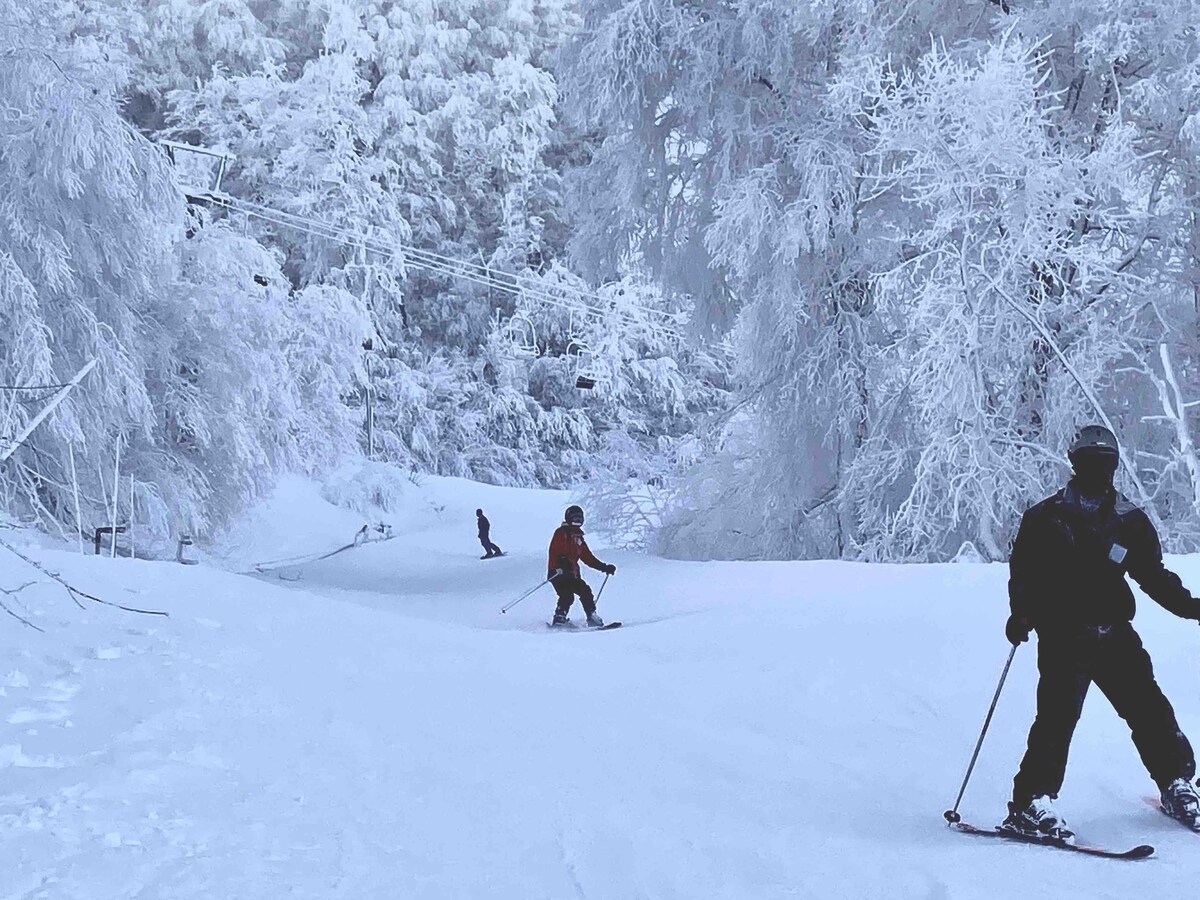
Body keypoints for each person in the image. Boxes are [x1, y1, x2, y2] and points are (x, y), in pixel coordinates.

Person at [1002, 424, 1200, 841]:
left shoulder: (1129, 520)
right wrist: (1021, 614)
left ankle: (1176, 783)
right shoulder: (1044, 517)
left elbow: (1153, 576)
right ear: (1075, 464)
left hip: (1115, 634)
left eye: (1105, 462)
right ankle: (1030, 802)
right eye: (1089, 462)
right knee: (1056, 721)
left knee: (1150, 711)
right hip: (1062, 636)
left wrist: (1192, 608)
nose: (1098, 469)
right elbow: (1024, 573)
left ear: (1113, 466)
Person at [547, 505, 615, 627]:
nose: (577, 520)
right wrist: (562, 560)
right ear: (568, 518)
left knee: (585, 591)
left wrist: (604, 567)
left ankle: (591, 616)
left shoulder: (578, 537)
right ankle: (559, 617)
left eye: (579, 517)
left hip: (572, 574)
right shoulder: (561, 533)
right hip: (558, 573)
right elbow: (554, 550)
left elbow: (588, 557)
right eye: (574, 517)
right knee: (567, 595)